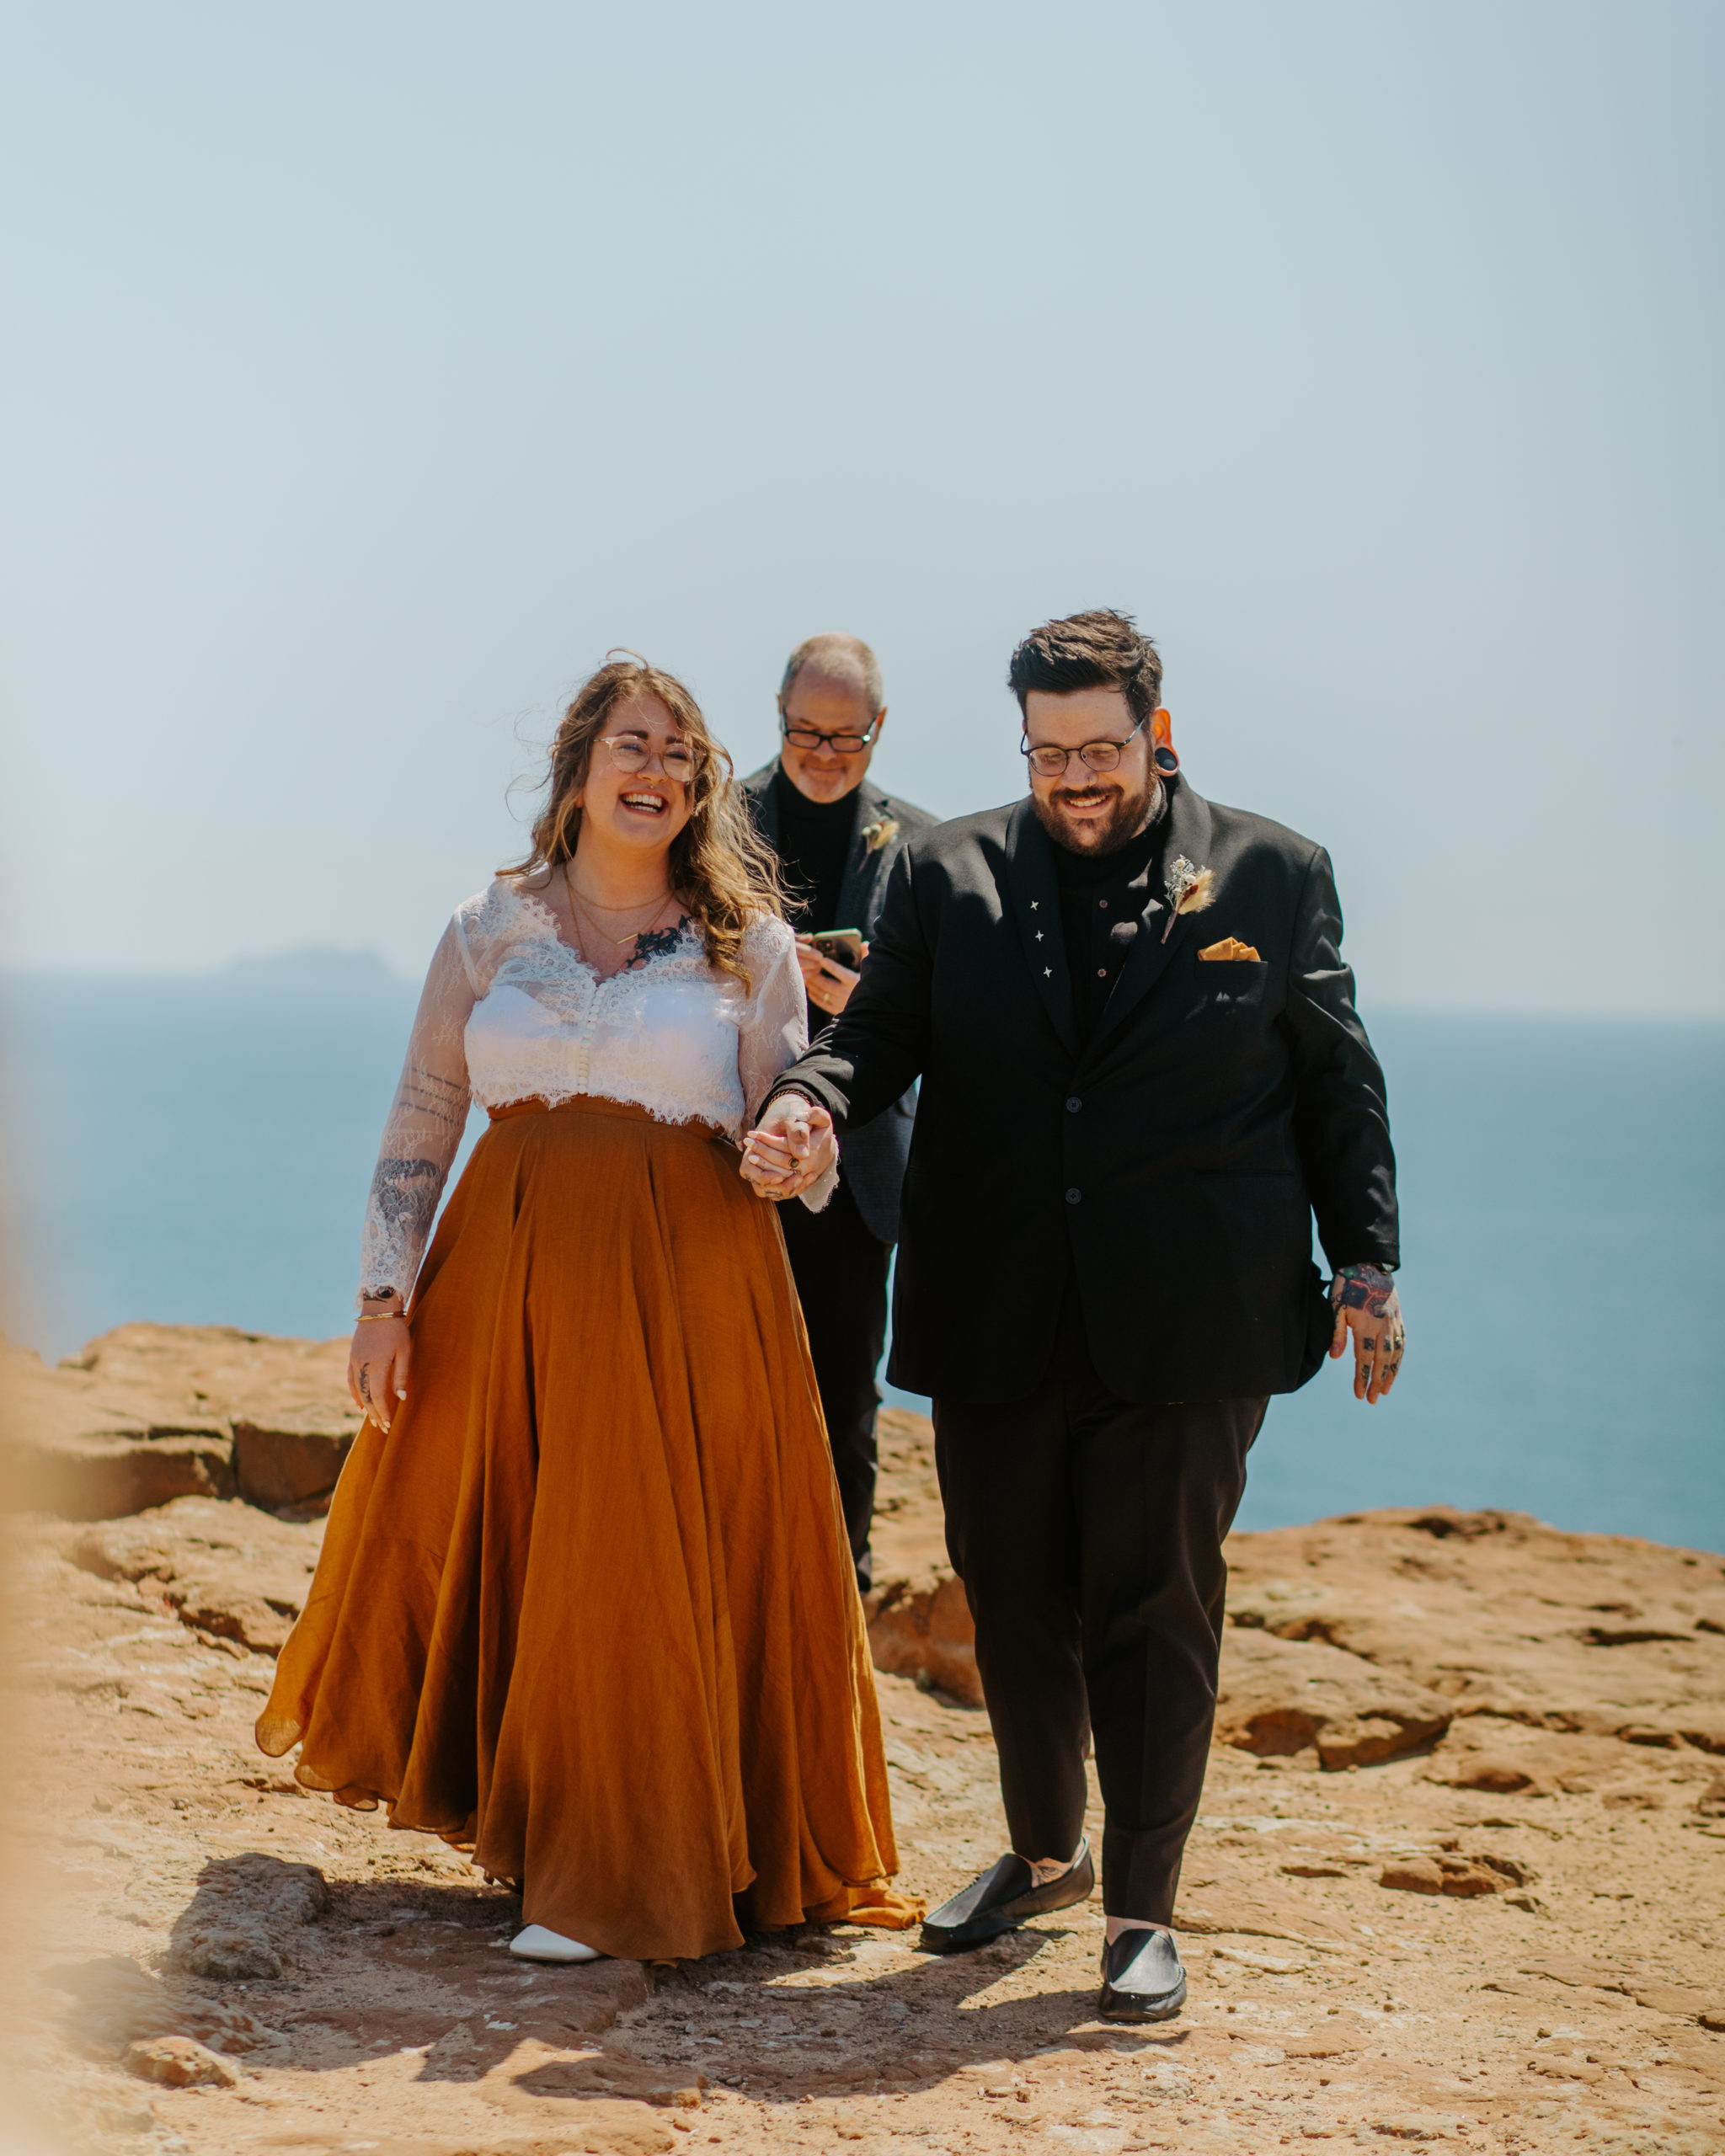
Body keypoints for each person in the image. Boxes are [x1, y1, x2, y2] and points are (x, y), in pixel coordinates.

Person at [740, 609, 1402, 2023]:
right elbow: (876, 1040)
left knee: (1152, 1601)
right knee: (1010, 1588)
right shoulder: (942, 869)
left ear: (1154, 734)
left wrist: (1364, 1271)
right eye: (1048, 754)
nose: (1075, 780)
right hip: (994, 1301)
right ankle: (1043, 1851)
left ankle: (1141, 1913)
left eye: (1100, 750)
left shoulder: (1275, 876)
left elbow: (1336, 1084)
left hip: (1193, 1316)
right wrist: (807, 1100)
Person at [256, 654, 915, 1966]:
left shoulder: (754, 946)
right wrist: (384, 1300)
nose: (656, 769)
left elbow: (800, 1122)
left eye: (681, 752)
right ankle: (544, 1832)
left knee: (627, 1565)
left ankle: (611, 1877)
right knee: (525, 1549)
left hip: (687, 1292)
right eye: (632, 743)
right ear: (574, 770)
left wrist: (803, 1150)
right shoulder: (485, 929)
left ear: (702, 786)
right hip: (504, 1283)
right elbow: (425, 1115)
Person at [741, 633, 935, 1592]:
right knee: (723, 1384)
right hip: (728, 1151)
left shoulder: (927, 845)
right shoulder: (715, 824)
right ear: (776, 716)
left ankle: (835, 1586)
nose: (823, 752)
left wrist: (864, 1010)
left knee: (842, 1395)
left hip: (861, 1170)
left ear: (879, 728)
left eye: (846, 737)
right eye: (803, 732)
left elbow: (949, 1018)